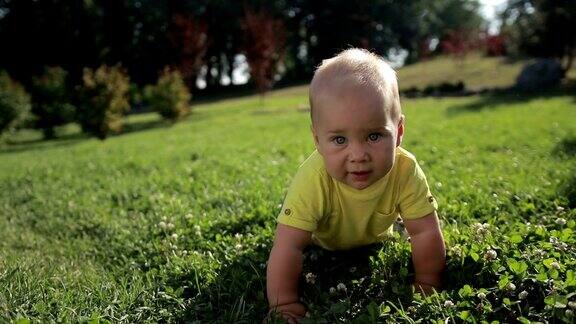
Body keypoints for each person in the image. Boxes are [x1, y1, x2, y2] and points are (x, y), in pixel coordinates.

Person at [266, 48, 446, 322]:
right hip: (323, 242)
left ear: (398, 132)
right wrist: (284, 302)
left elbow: (425, 232)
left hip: (374, 238)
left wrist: (428, 282)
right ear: (317, 140)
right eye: (339, 140)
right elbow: (288, 245)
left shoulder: (405, 170)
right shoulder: (313, 178)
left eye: (374, 136)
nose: (358, 155)